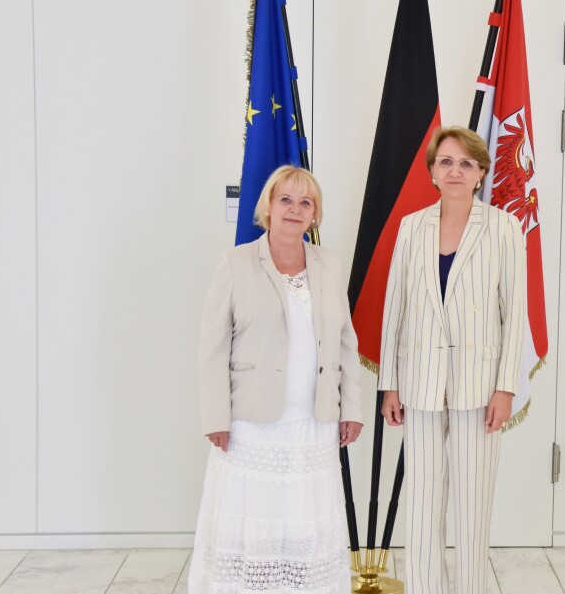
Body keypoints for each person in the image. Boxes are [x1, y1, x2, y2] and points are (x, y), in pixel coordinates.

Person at [189, 165, 364, 594]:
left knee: (303, 524)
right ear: (267, 206)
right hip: (252, 426)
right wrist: (216, 415)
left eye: (306, 203)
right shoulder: (235, 262)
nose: (295, 209)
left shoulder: (331, 264)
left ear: (315, 215)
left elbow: (346, 342)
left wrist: (352, 409)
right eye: (285, 200)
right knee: (255, 523)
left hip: (314, 423)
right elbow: (212, 347)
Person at [379, 127, 526, 594]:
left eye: (465, 163)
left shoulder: (504, 227)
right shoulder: (411, 226)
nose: (455, 170)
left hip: (479, 390)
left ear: (481, 171)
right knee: (422, 509)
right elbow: (394, 309)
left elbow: (513, 312)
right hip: (419, 383)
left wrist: (506, 387)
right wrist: (390, 383)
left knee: (472, 510)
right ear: (432, 171)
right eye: (446, 162)